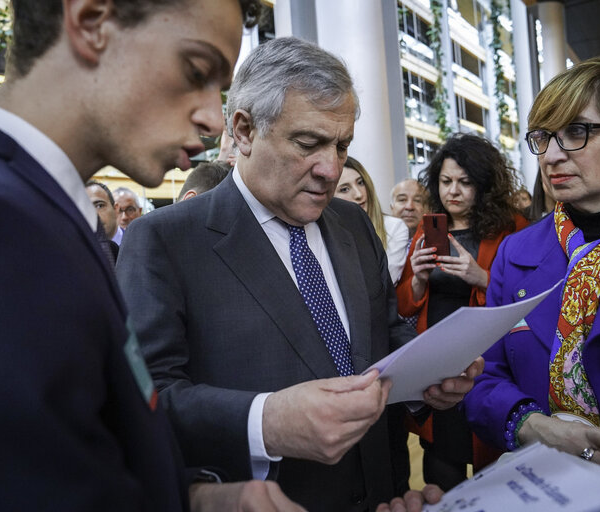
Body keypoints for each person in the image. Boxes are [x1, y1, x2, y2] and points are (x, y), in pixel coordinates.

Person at [0, 0, 313, 509]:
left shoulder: (33, 206)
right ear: (91, 22)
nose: (214, 119)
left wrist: (197, 499)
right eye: (195, 70)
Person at [116, 37, 482, 510]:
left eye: (342, 146)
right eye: (308, 144)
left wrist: (430, 374)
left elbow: (384, 333)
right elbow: (146, 401)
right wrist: (264, 421)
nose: (331, 169)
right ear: (244, 130)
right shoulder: (165, 242)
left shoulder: (353, 224)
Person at [463, 55, 600, 494]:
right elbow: (481, 375)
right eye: (543, 138)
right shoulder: (517, 251)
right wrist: (530, 424)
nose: (552, 155)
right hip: (548, 487)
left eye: (576, 133)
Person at [394, 133, 528, 489]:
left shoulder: (510, 228)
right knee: (441, 462)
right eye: (446, 181)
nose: (453, 191)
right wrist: (420, 279)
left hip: (486, 358)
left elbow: (524, 301)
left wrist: (480, 277)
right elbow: (404, 304)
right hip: (436, 358)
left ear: (483, 186)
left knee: (490, 463)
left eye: (465, 183)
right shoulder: (428, 227)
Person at [335, 156, 410, 283]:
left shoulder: (394, 227)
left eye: (360, 182)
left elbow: (384, 282)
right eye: (345, 189)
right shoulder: (326, 233)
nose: (359, 194)